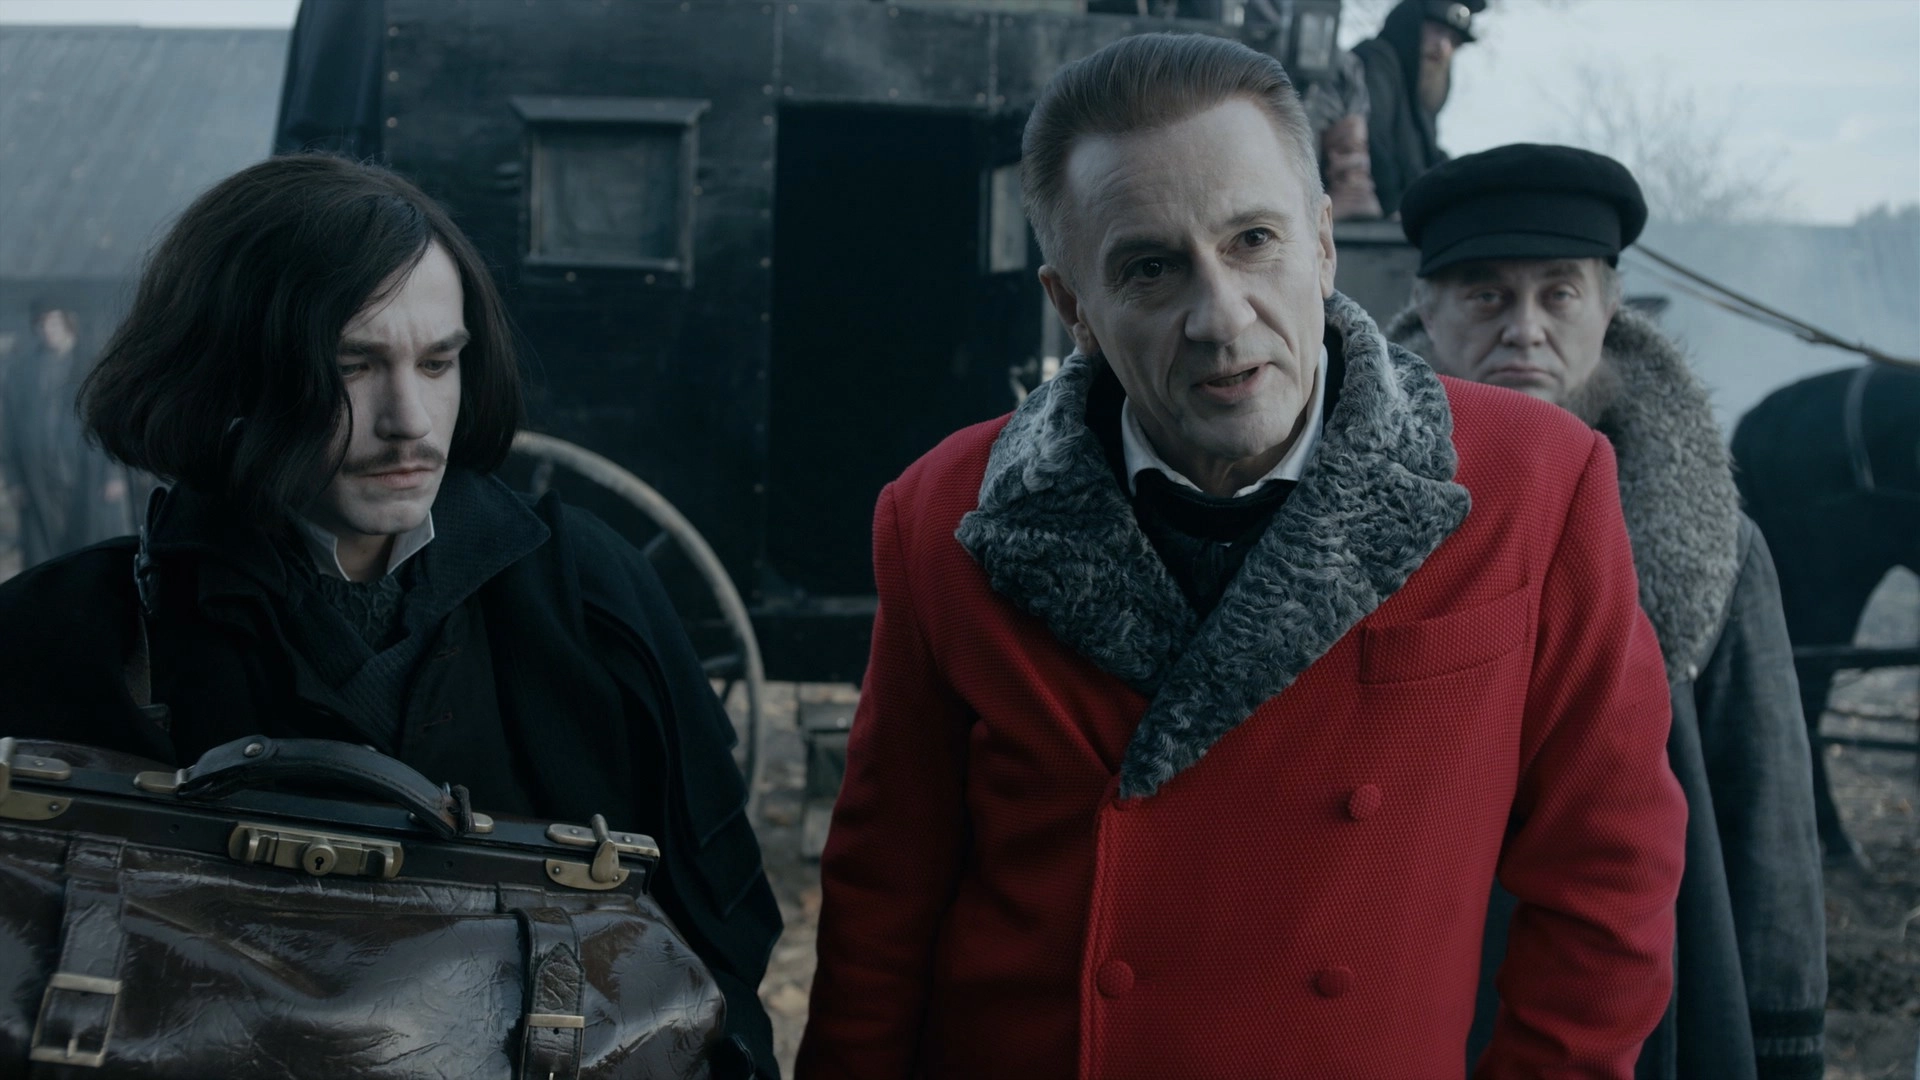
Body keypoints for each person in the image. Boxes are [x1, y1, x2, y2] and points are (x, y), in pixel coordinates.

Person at [799, 34, 1685, 1080]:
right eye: (1150, 268)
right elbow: (881, 904)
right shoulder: (942, 514)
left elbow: (1609, 873)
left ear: (1323, 244)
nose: (1221, 319)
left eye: (1254, 241)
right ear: (1073, 306)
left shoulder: (1534, 484)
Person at [0, 154, 781, 1078]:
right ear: (226, 374)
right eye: (353, 366)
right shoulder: (60, 633)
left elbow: (720, 948)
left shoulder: (591, 601)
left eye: (438, 362)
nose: (410, 419)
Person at [1387, 143, 1828, 1080]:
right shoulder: (1331, 521)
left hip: (1642, 990)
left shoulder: (1708, 540)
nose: (1525, 330)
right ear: (1425, 307)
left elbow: (1764, 813)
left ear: (1610, 304)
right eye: (1486, 295)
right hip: (1397, 989)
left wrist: (1784, 1037)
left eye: (1559, 293)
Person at [0, 303, 136, 569]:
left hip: (86, 473)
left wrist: (113, 473)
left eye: (54, 323)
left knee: (88, 544)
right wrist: (15, 479)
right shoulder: (25, 372)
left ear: (68, 324)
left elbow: (110, 421)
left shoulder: (91, 366)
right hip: (40, 477)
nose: (48, 330)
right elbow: (11, 429)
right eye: (42, 324)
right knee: (45, 551)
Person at [1352, 0, 1482, 217]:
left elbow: (1425, 160)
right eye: (1437, 31)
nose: (1443, 47)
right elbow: (1373, 138)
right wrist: (1393, 203)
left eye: (1453, 41)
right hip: (1371, 215)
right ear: (1411, 25)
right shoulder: (1377, 58)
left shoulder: (1421, 89)